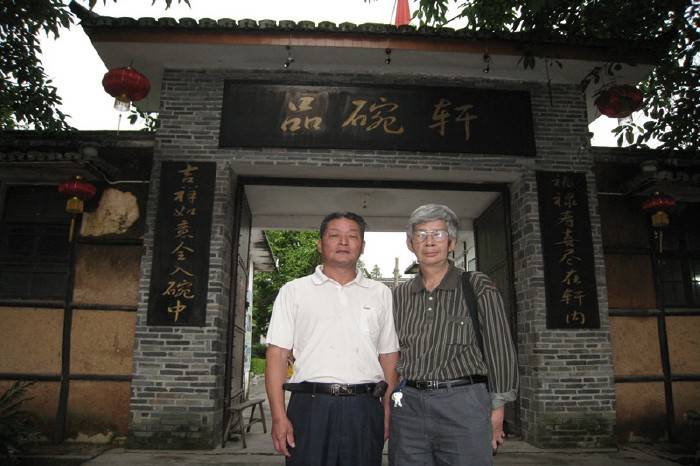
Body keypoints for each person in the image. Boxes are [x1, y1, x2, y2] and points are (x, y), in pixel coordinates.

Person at [265, 212, 400, 466]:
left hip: (364, 408)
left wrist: (386, 409)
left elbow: (389, 355)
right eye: (334, 235)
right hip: (310, 408)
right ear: (320, 244)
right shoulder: (293, 291)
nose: (344, 242)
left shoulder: (380, 294)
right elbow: (277, 355)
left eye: (352, 236)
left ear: (362, 246)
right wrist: (278, 416)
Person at [389, 204, 518, 466]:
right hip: (409, 405)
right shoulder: (399, 295)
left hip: (463, 402)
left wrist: (498, 410)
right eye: (421, 234)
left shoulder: (476, 285)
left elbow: (500, 348)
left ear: (452, 242)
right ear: (410, 244)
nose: (429, 242)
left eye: (438, 234)